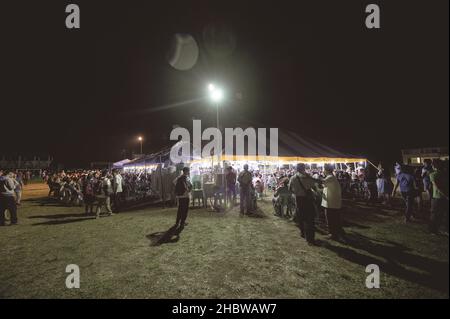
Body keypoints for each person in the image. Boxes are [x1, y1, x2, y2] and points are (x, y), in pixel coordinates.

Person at [289, 163, 318, 245]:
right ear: (304, 168)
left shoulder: (293, 178)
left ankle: (302, 233)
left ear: (296, 169)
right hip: (308, 199)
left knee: (301, 216)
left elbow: (290, 188)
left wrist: (295, 192)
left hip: (299, 199)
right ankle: (310, 238)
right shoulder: (308, 177)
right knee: (310, 218)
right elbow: (314, 187)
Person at [321, 165, 344, 240]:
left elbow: (322, 182)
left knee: (331, 219)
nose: (323, 171)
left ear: (326, 170)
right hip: (333, 202)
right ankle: (337, 232)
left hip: (331, 203)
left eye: (323, 170)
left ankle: (332, 234)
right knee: (335, 218)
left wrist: (310, 178)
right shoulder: (331, 177)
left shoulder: (330, 177)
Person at [428, 159, 449, 234]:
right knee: (445, 214)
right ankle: (444, 229)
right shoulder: (445, 174)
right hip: (444, 197)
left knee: (435, 214)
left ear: (434, 166)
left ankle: (433, 230)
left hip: (437, 197)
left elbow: (437, 187)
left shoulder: (432, 174)